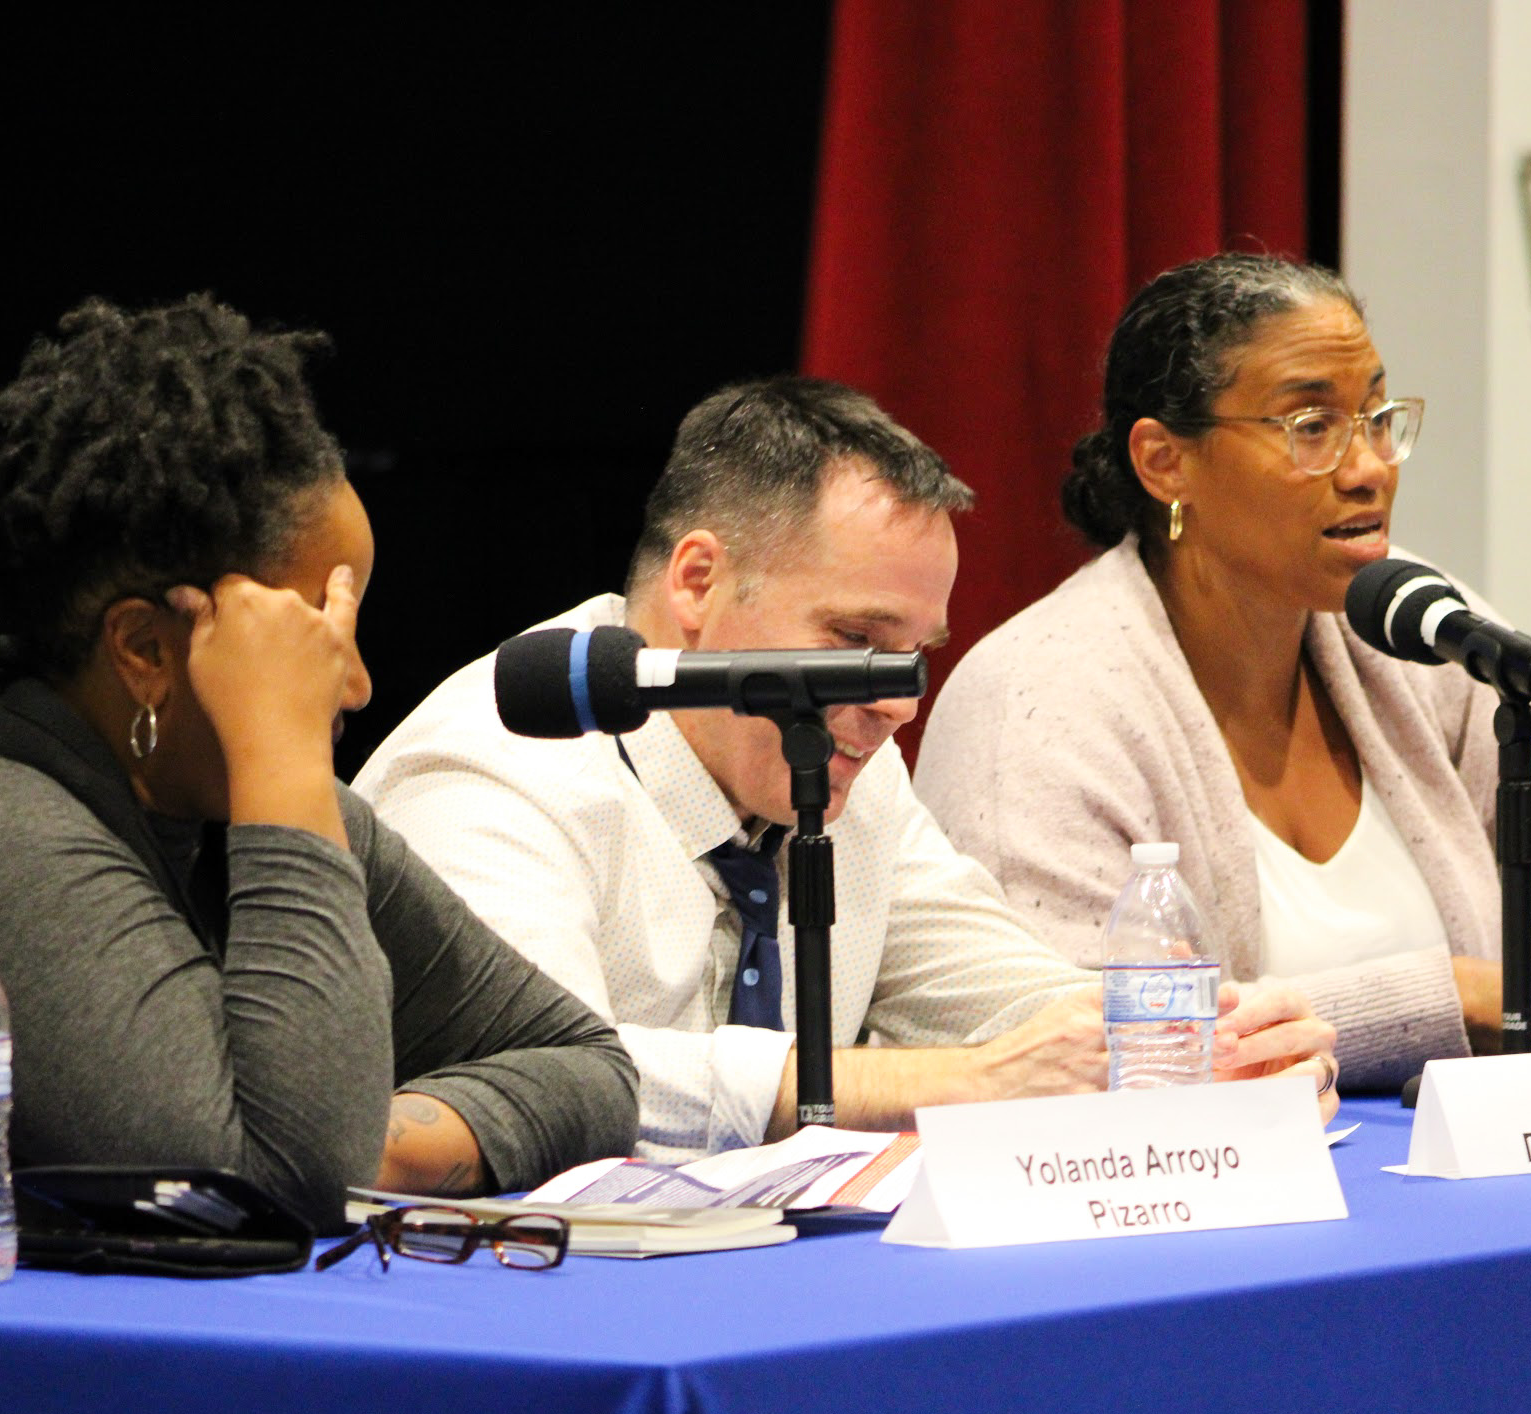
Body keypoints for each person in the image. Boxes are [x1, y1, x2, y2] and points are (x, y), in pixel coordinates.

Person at [0, 296, 637, 1263]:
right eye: (314, 631)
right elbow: (280, 1185)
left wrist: (384, 1138)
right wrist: (284, 770)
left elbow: (591, 1070)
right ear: (144, 647)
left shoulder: (283, 813)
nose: (356, 680)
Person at [354, 377, 1337, 1163]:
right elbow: (535, 1079)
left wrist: (1193, 1044)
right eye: (854, 639)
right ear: (697, 581)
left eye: (912, 655)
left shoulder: (836, 753)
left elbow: (989, 989)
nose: (896, 701)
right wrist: (957, 1082)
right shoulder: (494, 764)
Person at [915, 253, 1531, 1091]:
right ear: (1166, 462)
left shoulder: (1412, 628)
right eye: (1313, 426)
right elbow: (1073, 1044)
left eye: (1378, 420)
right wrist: (1455, 999)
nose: (1372, 467)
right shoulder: (1039, 702)